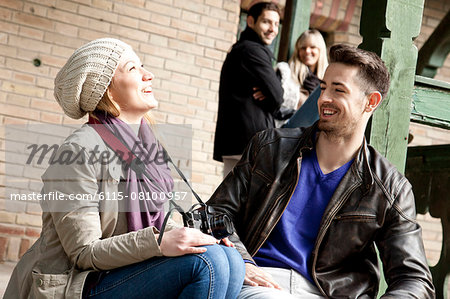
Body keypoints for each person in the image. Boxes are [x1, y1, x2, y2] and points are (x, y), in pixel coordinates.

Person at [5, 38, 245, 299]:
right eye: (133, 69)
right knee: (209, 263)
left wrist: (199, 238)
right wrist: (158, 243)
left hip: (123, 271)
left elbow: (160, 222)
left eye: (142, 66)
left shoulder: (147, 147)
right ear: (106, 90)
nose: (148, 75)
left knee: (228, 259)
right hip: (78, 284)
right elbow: (84, 252)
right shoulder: (78, 151)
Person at [207, 44, 435, 298]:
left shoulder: (390, 188)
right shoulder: (270, 147)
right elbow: (215, 212)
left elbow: (414, 279)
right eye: (323, 87)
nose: (324, 98)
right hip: (262, 282)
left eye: (338, 90)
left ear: (371, 102)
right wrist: (242, 262)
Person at [213, 2, 283, 176]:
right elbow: (278, 97)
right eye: (266, 22)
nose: (272, 29)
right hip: (249, 142)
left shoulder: (241, 48)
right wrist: (270, 97)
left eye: (276, 24)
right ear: (251, 21)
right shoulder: (253, 50)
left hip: (236, 142)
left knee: (231, 200)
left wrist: (268, 94)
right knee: (245, 202)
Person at [274, 29, 328, 127]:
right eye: (303, 48)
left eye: (312, 47)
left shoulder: (326, 80)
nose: (307, 51)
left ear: (321, 50)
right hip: (286, 128)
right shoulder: (285, 71)